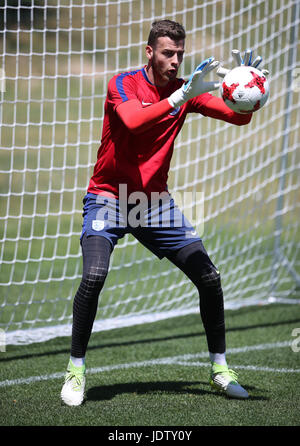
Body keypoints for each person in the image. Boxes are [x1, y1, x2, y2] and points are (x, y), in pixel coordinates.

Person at [61, 19, 267, 406]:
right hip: (108, 196)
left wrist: (250, 87)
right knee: (94, 275)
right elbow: (135, 122)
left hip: (153, 204)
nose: (175, 61)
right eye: (168, 53)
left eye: (180, 55)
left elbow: (239, 116)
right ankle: (75, 370)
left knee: (208, 276)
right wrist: (182, 95)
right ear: (150, 52)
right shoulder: (122, 84)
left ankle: (220, 370)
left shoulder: (185, 91)